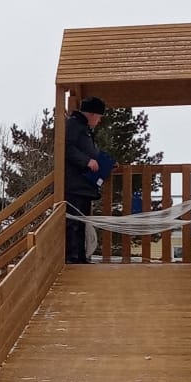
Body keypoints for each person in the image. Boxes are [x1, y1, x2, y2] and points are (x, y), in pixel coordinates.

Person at [64, 96, 110, 264]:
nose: (98, 122)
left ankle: (81, 257)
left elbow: (91, 152)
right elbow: (66, 148)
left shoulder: (84, 128)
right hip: (74, 184)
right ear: (91, 114)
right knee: (73, 221)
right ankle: (72, 257)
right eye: (99, 117)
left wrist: (108, 162)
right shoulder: (74, 125)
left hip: (83, 185)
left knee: (82, 222)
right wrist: (86, 161)